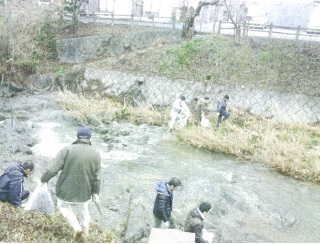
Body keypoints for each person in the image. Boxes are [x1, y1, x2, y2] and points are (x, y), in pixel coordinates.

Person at [40, 127, 101, 242]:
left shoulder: (67, 149)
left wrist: (43, 180)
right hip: (85, 192)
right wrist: (95, 193)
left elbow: (52, 169)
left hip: (65, 191)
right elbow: (97, 177)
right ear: (90, 138)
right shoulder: (96, 153)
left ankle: (76, 228)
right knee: (83, 209)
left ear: (76, 137)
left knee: (63, 206)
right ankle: (85, 232)